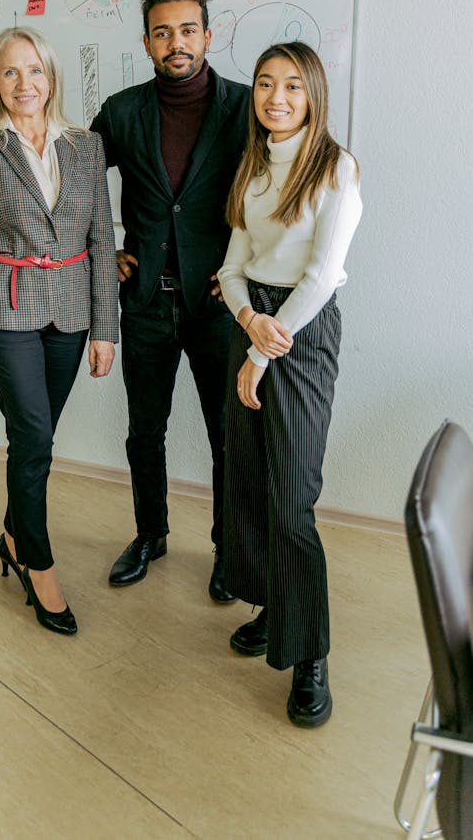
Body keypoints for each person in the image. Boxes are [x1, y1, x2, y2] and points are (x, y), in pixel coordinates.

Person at [0, 27, 118, 636]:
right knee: (35, 434)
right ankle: (37, 563)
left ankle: (13, 533)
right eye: (11, 73)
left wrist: (106, 328)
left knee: (35, 440)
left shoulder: (86, 146)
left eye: (35, 71)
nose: (25, 84)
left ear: (52, 78)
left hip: (70, 311)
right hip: (3, 311)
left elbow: (101, 239)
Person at [218, 41, 362, 727]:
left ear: (313, 96)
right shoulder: (253, 166)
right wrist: (248, 320)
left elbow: (323, 276)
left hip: (300, 335)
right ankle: (276, 607)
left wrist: (264, 351)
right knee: (247, 478)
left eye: (293, 87)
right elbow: (231, 268)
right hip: (256, 326)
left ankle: (310, 657)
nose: (277, 98)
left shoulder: (335, 167)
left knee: (294, 496)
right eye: (266, 85)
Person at [91, 0, 249, 597]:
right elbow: (69, 184)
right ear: (148, 42)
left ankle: (226, 549)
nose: (176, 42)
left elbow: (271, 197)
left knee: (224, 436)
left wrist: (242, 266)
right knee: (144, 430)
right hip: (147, 303)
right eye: (163, 32)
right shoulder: (124, 110)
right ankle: (150, 533)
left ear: (208, 35)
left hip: (218, 306)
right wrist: (102, 252)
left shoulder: (246, 107)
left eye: (187, 30)